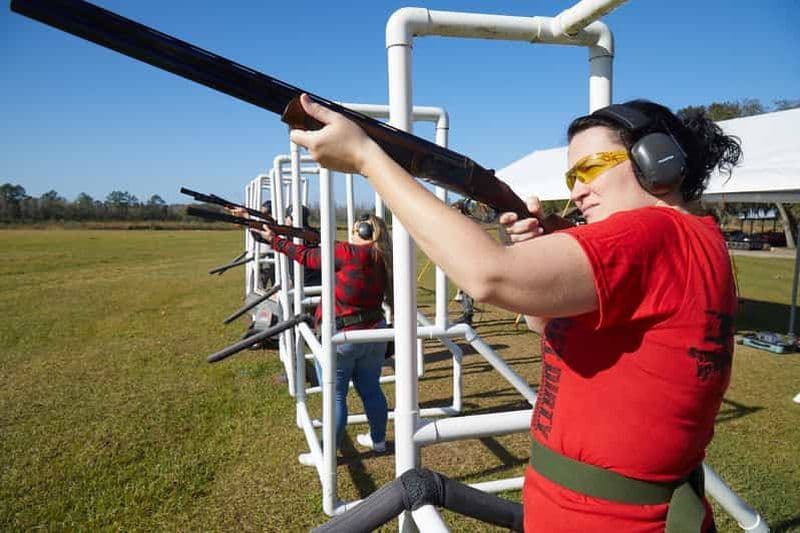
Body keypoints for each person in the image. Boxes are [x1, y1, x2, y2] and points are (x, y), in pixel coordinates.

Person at [288, 93, 742, 532]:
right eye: (571, 178)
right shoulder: (687, 239)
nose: (578, 191)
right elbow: (541, 319)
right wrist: (537, 252)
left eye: (591, 169)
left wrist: (369, 159)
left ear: (655, 160)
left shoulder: (653, 233)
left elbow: (488, 277)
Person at [252, 213, 393, 464]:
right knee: (371, 390)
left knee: (335, 395)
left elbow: (305, 257)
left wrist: (274, 240)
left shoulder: (347, 252)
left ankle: (327, 454)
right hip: (375, 333)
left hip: (343, 337)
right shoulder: (382, 257)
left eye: (354, 228)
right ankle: (379, 440)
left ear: (361, 231)